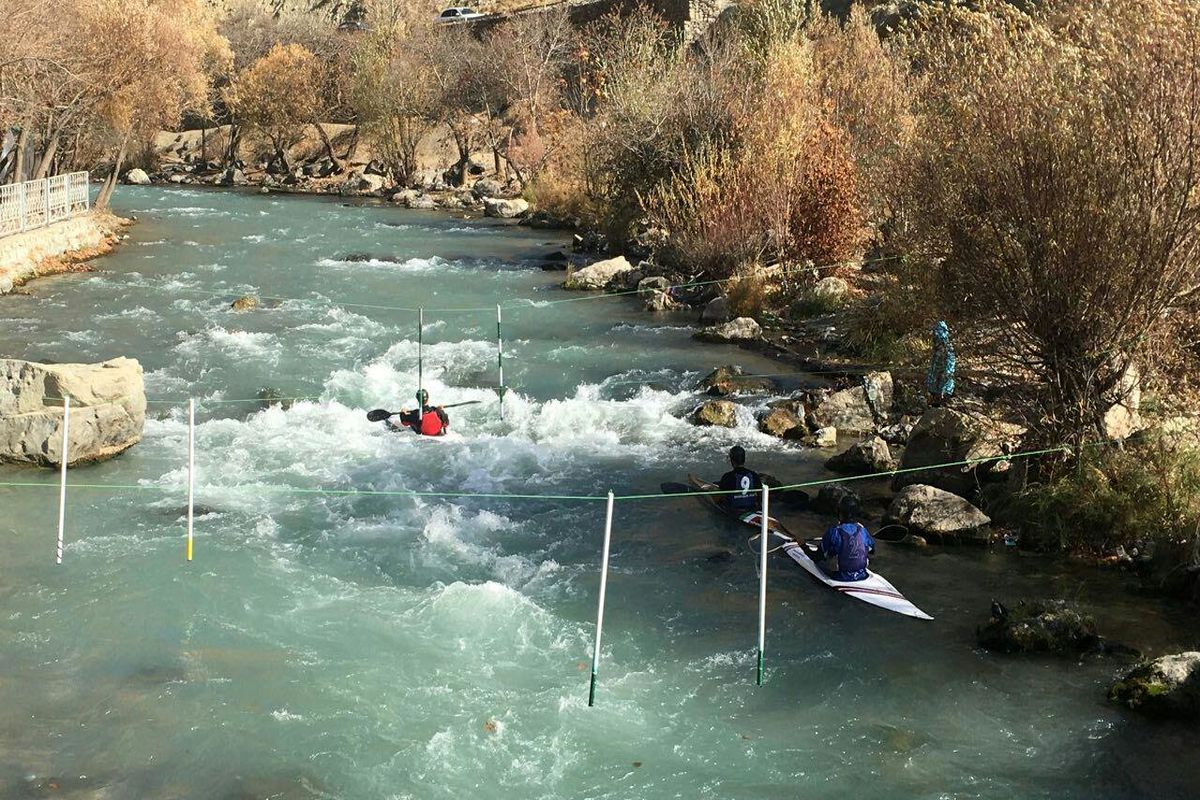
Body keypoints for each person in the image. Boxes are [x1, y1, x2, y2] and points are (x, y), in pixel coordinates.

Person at [804, 496, 876, 581]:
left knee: (822, 560)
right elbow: (872, 551)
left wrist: (803, 546)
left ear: (840, 512)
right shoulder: (863, 530)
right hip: (863, 575)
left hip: (839, 577)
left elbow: (816, 557)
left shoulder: (833, 532)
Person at [718, 445, 762, 511]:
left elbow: (721, 494)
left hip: (734, 510)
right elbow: (760, 494)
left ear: (732, 460)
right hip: (752, 507)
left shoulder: (728, 477)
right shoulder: (754, 475)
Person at [926, 320, 956, 407]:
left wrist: (945, 375)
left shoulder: (947, 348)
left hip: (943, 386)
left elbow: (950, 364)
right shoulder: (937, 348)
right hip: (934, 384)